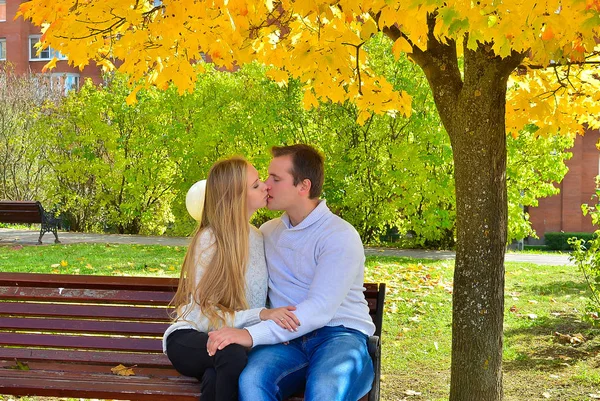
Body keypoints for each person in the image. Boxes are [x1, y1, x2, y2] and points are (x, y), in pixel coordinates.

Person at [206, 145, 376, 401]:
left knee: (325, 392)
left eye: (275, 179)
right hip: (285, 342)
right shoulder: (268, 232)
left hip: (339, 336)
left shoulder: (339, 236)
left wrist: (250, 335)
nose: (266, 185)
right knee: (251, 381)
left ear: (303, 186)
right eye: (266, 178)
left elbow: (319, 308)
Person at [163, 157, 300, 401]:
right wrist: (261, 315)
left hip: (230, 346)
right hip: (190, 337)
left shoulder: (258, 238)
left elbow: (259, 298)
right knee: (232, 355)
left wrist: (273, 326)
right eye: (256, 185)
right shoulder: (210, 240)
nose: (266, 186)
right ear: (236, 196)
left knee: (218, 375)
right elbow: (207, 315)